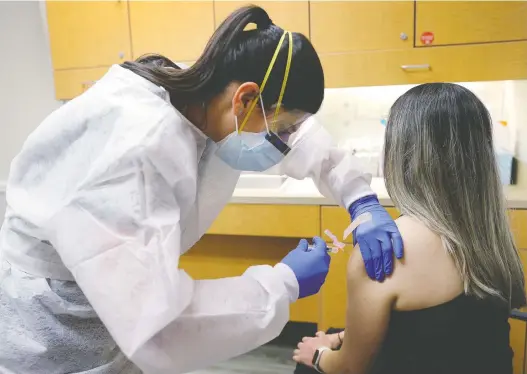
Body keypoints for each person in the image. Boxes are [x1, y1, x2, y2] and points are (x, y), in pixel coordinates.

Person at [0, 5, 403, 374]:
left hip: (109, 307)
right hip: (51, 324)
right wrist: (282, 283)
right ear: (246, 98)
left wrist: (360, 199)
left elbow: (307, 140)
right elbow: (158, 328)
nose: (283, 142)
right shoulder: (137, 147)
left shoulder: (200, 99)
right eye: (279, 130)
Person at [293, 83, 527, 374]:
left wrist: (316, 355)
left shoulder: (385, 250)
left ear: (400, 155)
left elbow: (349, 369)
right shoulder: (491, 239)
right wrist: (341, 337)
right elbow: (440, 327)